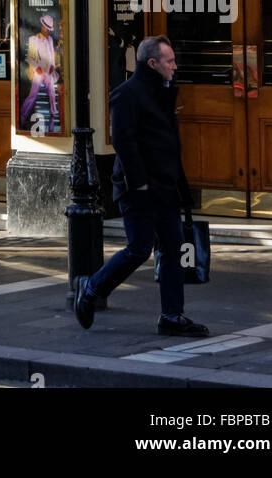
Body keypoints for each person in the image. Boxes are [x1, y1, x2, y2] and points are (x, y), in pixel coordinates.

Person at [74, 35, 209, 338]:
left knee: (172, 249)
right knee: (139, 248)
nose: (175, 66)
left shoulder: (163, 92)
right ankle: (90, 286)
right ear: (153, 63)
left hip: (166, 187)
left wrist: (178, 185)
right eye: (170, 61)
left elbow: (168, 143)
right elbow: (124, 141)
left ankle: (172, 316)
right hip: (139, 189)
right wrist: (140, 184)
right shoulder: (126, 95)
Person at [19, 13, 59, 131]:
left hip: (48, 71)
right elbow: (31, 58)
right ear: (42, 27)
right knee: (33, 93)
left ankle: (53, 112)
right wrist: (38, 69)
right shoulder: (33, 39)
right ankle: (23, 114)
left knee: (52, 91)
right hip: (38, 70)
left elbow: (51, 56)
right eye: (46, 28)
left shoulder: (50, 40)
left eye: (49, 29)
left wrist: (52, 66)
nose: (48, 31)